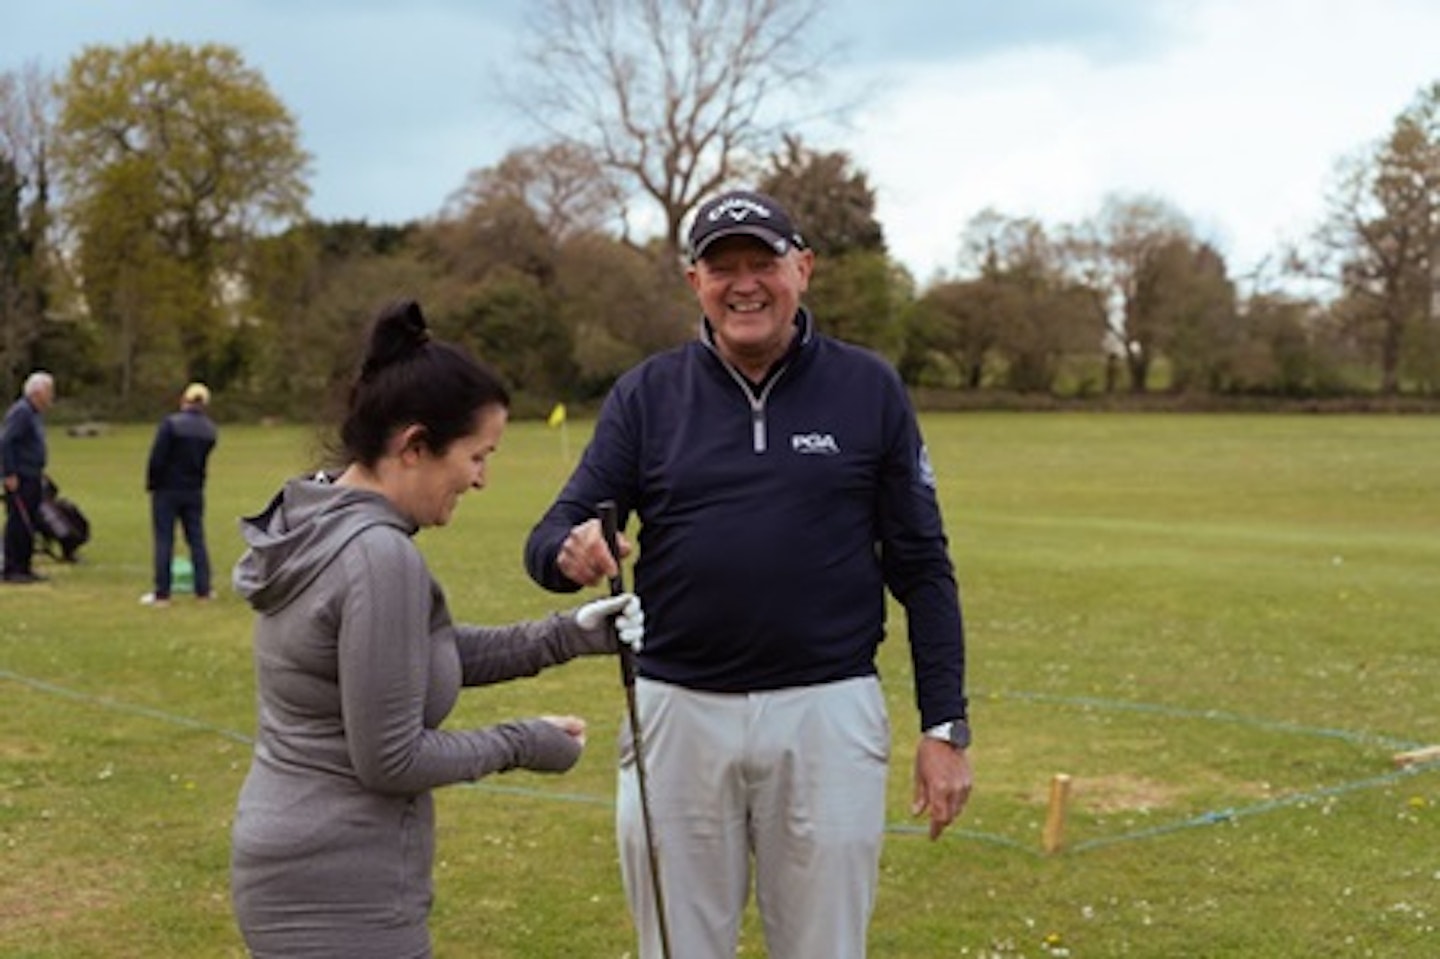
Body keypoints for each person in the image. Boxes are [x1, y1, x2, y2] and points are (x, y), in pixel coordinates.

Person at [524, 189, 973, 958]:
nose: (744, 284)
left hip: (828, 712)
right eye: (720, 265)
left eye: (761, 262)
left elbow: (924, 568)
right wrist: (572, 551)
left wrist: (944, 726)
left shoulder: (869, 389)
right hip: (676, 714)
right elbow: (551, 536)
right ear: (693, 281)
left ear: (802, 268)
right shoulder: (646, 395)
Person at [229, 299, 645, 958]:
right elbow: (391, 757)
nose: (481, 479)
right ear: (415, 445)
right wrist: (525, 741)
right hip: (342, 886)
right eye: (477, 455)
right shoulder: (378, 553)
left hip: (293, 860)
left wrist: (570, 634)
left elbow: (410, 658)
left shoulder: (317, 514)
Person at [142, 381, 218, 606]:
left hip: (167, 489)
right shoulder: (210, 430)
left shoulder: (171, 425)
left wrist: (152, 482)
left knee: (165, 539)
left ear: (184, 400)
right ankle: (203, 590)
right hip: (194, 490)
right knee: (196, 540)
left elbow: (157, 458)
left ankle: (162, 593)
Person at [2, 371, 55, 584]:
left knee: (29, 522)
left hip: (32, 474)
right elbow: (6, 442)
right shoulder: (22, 412)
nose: (51, 397)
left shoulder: (33, 413)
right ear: (37, 392)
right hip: (20, 476)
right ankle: (12, 568)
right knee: (19, 521)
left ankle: (24, 566)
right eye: (49, 392)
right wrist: (9, 473)